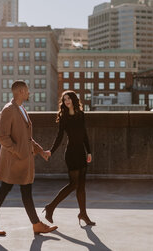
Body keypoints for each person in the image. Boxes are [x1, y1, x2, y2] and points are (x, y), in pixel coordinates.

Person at [0, 80, 58, 236]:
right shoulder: (9, 110)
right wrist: (19, 152)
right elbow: (2, 136)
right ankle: (34, 225)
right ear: (21, 91)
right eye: (27, 90)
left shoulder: (21, 109)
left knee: (17, 191)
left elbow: (27, 138)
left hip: (22, 161)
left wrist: (40, 151)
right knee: (12, 191)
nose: (29, 93)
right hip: (14, 161)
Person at [43, 90, 96, 226]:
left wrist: (89, 151)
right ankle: (51, 207)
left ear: (73, 99)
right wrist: (51, 151)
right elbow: (59, 136)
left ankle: (83, 213)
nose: (66, 101)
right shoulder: (64, 117)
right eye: (64, 99)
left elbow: (84, 134)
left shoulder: (81, 115)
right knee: (74, 184)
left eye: (68, 98)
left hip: (81, 152)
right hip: (71, 153)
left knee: (82, 186)